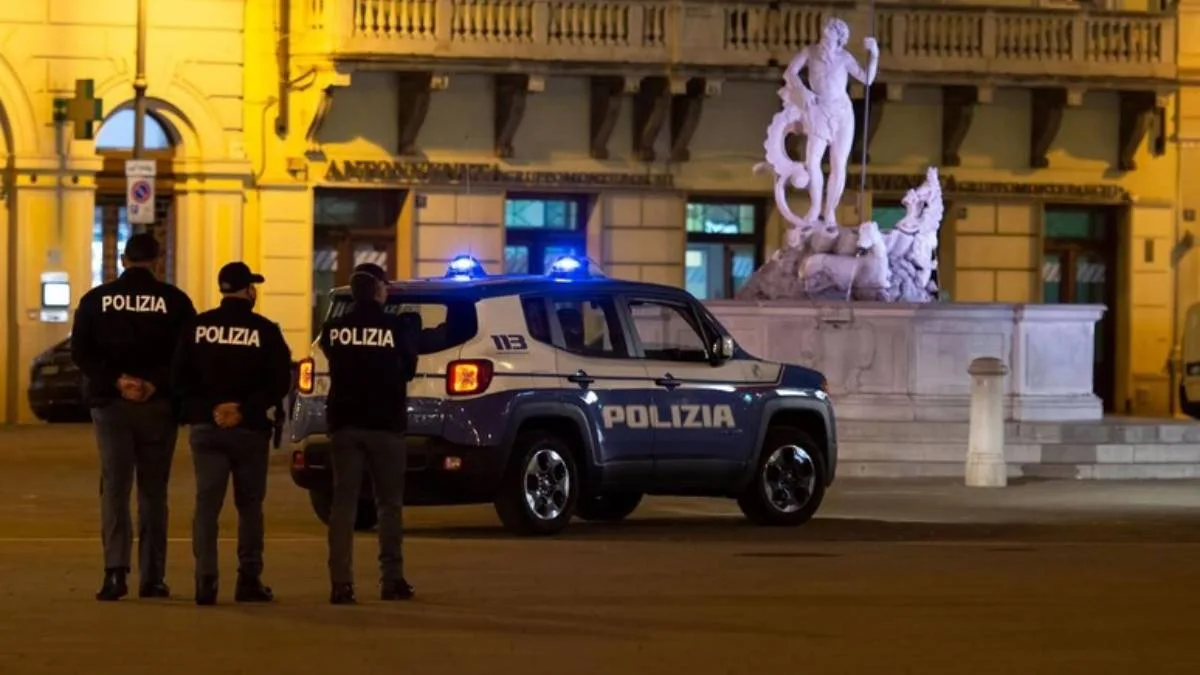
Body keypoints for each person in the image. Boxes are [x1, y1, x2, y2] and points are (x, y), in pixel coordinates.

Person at [70, 232, 197, 601]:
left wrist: (117, 380)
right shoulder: (175, 302)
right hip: (158, 407)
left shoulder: (96, 300)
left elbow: (81, 351)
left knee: (114, 488)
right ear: (157, 260)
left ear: (124, 259)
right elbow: (186, 355)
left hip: (110, 406)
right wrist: (154, 384)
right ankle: (152, 579)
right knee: (153, 492)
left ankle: (114, 574)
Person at [171, 262, 292, 605]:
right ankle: (249, 579)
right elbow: (279, 381)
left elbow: (180, 378)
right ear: (248, 290)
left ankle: (205, 581)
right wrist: (243, 410)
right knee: (250, 506)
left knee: (207, 505)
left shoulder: (197, 327)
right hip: (249, 431)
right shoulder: (265, 330)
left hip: (207, 430)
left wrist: (212, 409)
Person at [319, 262, 419, 604]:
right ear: (378, 289)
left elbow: (333, 356)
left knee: (343, 506)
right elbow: (408, 369)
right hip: (386, 426)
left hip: (345, 425)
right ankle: (391, 580)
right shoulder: (396, 327)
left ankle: (340, 584)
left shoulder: (333, 329)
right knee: (388, 505)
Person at [780, 17, 879, 223]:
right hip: (819, 110)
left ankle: (830, 211)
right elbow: (789, 72)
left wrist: (874, 54)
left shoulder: (845, 58)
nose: (824, 39)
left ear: (839, 38)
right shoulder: (810, 52)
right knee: (812, 160)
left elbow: (867, 78)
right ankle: (815, 207)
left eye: (828, 36)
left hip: (842, 114)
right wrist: (802, 90)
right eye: (823, 35)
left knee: (838, 164)